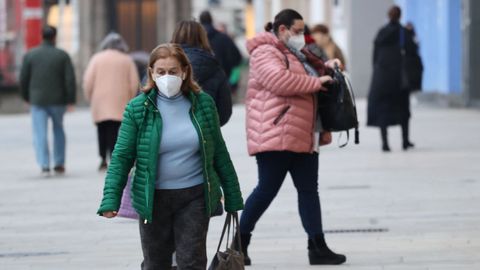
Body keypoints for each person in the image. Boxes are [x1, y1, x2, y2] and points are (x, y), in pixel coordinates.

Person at [97, 43, 244, 270]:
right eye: (161, 72)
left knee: (192, 261)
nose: (167, 77)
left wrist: (233, 195)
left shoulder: (203, 104)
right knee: (156, 263)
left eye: (173, 71)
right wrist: (110, 199)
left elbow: (219, 153)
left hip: (194, 197)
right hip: (152, 199)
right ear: (152, 74)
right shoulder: (138, 108)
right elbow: (121, 156)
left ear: (184, 72)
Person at [239, 9, 346, 266]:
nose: (302, 36)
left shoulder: (295, 52)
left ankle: (317, 247)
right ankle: (239, 244)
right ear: (283, 29)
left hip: (303, 133)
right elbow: (279, 81)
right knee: (266, 190)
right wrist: (315, 83)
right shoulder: (265, 51)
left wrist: (328, 67)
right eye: (297, 31)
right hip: (276, 132)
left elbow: (310, 70)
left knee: (309, 191)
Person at [19, 25, 76, 176]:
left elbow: (24, 79)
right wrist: (70, 99)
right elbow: (69, 79)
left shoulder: (30, 55)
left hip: (37, 100)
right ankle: (59, 162)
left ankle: (44, 164)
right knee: (58, 130)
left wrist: (26, 97)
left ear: (41, 36)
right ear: (54, 37)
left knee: (40, 133)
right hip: (58, 100)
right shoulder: (62, 55)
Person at [83, 33, 139, 170]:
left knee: (102, 129)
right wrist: (131, 98)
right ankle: (114, 156)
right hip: (120, 100)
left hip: (100, 99)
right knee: (116, 129)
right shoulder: (127, 60)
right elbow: (134, 82)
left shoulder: (97, 58)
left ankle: (102, 158)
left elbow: (87, 81)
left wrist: (89, 96)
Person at [367, 6, 416, 152]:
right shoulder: (404, 32)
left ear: (388, 16)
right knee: (403, 109)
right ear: (400, 16)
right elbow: (412, 52)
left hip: (381, 78)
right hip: (399, 79)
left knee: (383, 110)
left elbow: (374, 57)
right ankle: (405, 141)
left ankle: (385, 143)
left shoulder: (381, 33)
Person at [171, 20, 232, 126]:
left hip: (167, 134)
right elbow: (224, 111)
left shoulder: (161, 65)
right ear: (203, 38)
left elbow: (143, 100)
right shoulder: (215, 67)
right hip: (203, 134)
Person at [199, 10, 243, 80]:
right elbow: (237, 57)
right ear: (211, 20)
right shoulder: (224, 38)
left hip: (201, 82)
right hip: (223, 80)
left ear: (200, 21)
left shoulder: (195, 39)